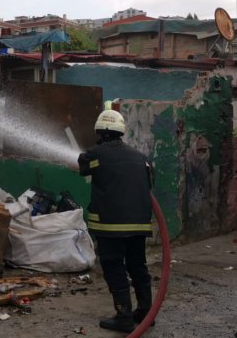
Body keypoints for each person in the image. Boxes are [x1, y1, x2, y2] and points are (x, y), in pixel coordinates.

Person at [78, 109, 154, 332]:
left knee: (113, 266)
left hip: (111, 224)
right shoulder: (140, 157)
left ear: (100, 132)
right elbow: (151, 182)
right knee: (137, 265)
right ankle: (146, 312)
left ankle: (123, 316)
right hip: (140, 223)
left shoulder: (95, 154)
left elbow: (83, 167)